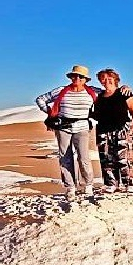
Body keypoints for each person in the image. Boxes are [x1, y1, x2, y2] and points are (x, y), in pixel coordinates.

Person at [35, 65, 100, 201]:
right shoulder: (61, 91)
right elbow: (40, 99)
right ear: (71, 77)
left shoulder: (92, 92)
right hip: (63, 127)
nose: (77, 78)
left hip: (82, 126)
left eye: (81, 77)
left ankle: (88, 185)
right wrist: (50, 112)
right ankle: (70, 187)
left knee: (84, 157)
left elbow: (109, 95)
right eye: (74, 76)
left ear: (85, 80)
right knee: (65, 156)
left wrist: (124, 90)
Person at [93, 68, 133, 193]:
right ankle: (111, 184)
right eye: (103, 78)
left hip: (122, 129)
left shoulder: (124, 93)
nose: (106, 80)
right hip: (103, 131)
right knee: (106, 158)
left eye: (109, 78)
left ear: (115, 79)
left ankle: (129, 183)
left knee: (124, 158)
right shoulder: (98, 96)